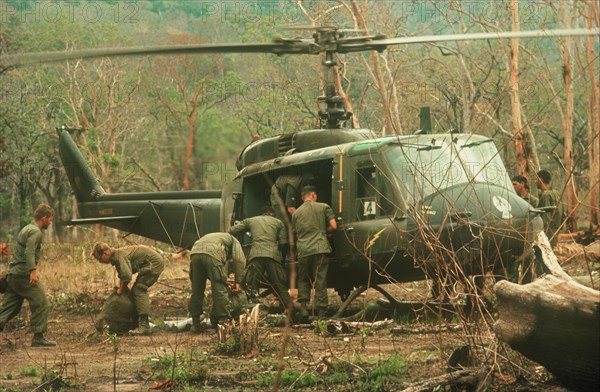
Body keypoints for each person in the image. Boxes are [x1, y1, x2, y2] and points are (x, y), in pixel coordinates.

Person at [0, 204, 56, 347]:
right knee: (42, 302)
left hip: (13, 275)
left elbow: (20, 252)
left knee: (9, 308)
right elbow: (29, 251)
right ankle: (38, 337)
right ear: (44, 218)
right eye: (50, 219)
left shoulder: (26, 228)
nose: (51, 222)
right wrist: (32, 271)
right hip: (23, 275)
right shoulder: (36, 232)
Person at [92, 243, 165, 335]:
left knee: (139, 290)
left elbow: (126, 276)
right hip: (148, 263)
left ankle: (144, 325)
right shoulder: (116, 256)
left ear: (106, 254)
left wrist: (120, 290)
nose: (100, 261)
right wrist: (121, 289)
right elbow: (123, 276)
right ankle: (139, 322)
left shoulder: (119, 257)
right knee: (135, 291)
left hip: (154, 263)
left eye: (99, 258)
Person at [229, 206, 290, 309]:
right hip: (273, 255)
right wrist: (282, 259)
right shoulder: (279, 223)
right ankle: (290, 310)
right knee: (280, 285)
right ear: (271, 213)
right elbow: (284, 243)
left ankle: (252, 311)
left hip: (255, 255)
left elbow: (232, 230)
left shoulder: (251, 220)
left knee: (252, 286)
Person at [292, 185, 337, 321]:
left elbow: (296, 235)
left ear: (302, 197)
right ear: (313, 195)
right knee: (320, 279)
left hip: (303, 250)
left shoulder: (296, 213)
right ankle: (321, 313)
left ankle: (304, 309)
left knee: (303, 279)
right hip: (319, 247)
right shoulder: (323, 207)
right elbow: (334, 226)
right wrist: (324, 232)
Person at [188, 232, 246, 332]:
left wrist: (222, 278)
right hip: (213, 253)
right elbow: (239, 260)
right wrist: (238, 281)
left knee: (196, 289)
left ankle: (195, 323)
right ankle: (223, 322)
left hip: (195, 253)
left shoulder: (214, 237)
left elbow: (205, 272)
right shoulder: (234, 241)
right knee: (219, 289)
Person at [535, 169, 563, 247]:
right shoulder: (557, 193)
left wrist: (542, 232)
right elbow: (563, 213)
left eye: (536, 179)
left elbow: (545, 217)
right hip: (556, 230)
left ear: (541, 179)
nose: (535, 182)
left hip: (548, 232)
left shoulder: (546, 195)